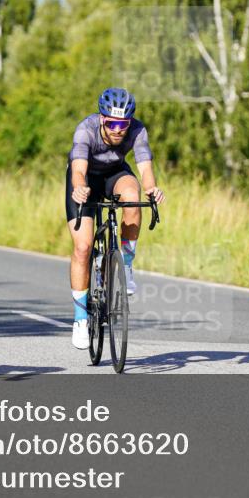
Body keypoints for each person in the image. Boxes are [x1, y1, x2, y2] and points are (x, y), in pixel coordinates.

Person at [66, 87, 165, 349]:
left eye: (123, 124)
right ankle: (80, 319)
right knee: (83, 247)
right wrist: (79, 187)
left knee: (132, 196)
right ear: (102, 119)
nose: (118, 130)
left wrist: (152, 189)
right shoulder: (85, 130)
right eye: (112, 124)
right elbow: (78, 170)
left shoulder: (137, 130)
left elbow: (145, 167)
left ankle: (127, 264)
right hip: (86, 179)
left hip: (115, 174)